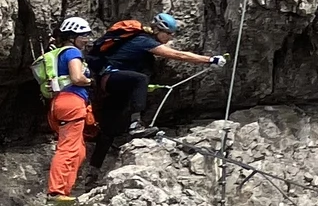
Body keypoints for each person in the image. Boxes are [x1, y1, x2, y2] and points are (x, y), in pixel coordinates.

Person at [88, 12, 223, 177]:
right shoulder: (143, 40)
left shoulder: (140, 43)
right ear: (159, 30)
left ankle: (92, 172)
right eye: (168, 34)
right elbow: (177, 55)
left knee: (109, 130)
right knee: (140, 79)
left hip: (116, 83)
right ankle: (135, 125)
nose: (170, 37)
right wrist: (209, 60)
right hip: (112, 78)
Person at [42, 17, 96, 198]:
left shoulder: (59, 53)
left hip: (58, 103)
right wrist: (91, 82)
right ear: (72, 37)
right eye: (83, 36)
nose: (86, 39)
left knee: (79, 151)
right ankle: (56, 192)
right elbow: (77, 78)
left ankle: (64, 191)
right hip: (72, 103)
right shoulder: (72, 52)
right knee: (68, 149)